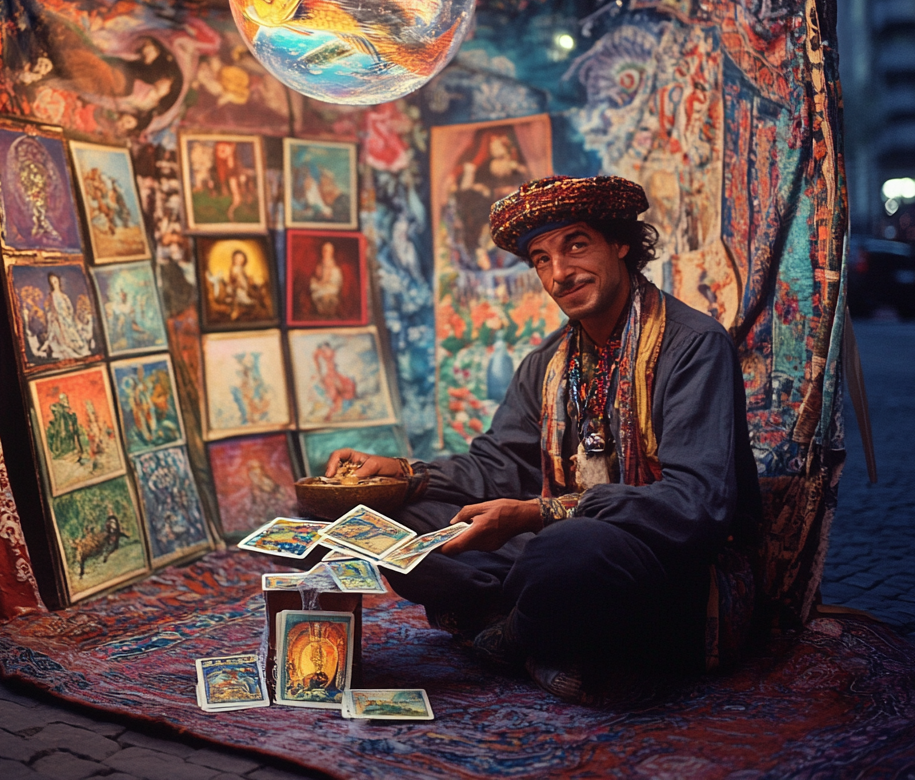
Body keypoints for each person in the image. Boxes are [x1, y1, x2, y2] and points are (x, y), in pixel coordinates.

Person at [325, 174, 761, 703]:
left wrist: (539, 515)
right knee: (387, 520)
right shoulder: (548, 363)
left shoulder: (692, 345)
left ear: (620, 243)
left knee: (571, 550)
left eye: (576, 245)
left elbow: (696, 506)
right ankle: (537, 631)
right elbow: (496, 465)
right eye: (541, 259)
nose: (560, 274)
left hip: (657, 567)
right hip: (554, 555)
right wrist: (401, 473)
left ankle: (513, 631)